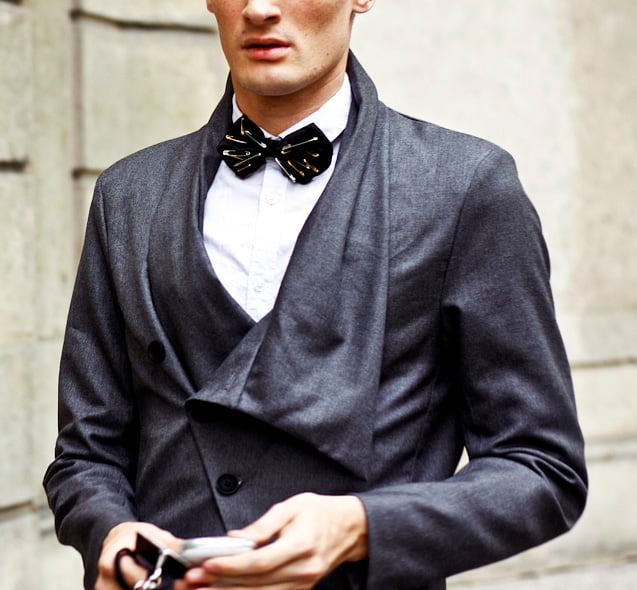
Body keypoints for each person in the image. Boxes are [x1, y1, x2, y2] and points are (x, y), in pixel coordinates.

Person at [44, 1, 588, 588]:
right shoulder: (129, 194)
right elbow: (86, 455)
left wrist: (361, 526)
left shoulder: (464, 188)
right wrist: (110, 532)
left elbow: (542, 469)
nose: (259, 8)